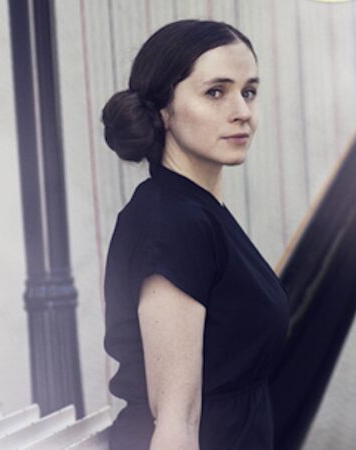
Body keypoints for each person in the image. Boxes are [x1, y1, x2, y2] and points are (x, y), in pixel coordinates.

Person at [101, 19, 290, 450]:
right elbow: (175, 423)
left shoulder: (197, 211)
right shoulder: (172, 221)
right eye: (216, 92)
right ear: (163, 109)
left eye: (249, 92)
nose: (242, 111)